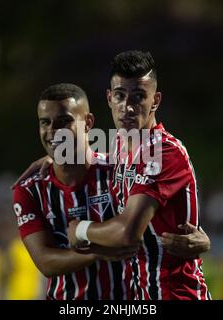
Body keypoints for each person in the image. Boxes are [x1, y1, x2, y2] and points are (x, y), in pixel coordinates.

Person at [67, 50, 211, 300]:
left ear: (155, 101)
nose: (128, 107)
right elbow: (88, 159)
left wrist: (80, 229)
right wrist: (48, 160)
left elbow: (127, 232)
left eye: (139, 97)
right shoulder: (120, 146)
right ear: (109, 98)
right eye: (120, 96)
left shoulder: (165, 153)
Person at [13, 83, 138, 299]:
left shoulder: (120, 171)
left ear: (88, 123)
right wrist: (101, 251)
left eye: (64, 121)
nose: (53, 131)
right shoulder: (29, 190)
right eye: (45, 122)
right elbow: (45, 262)